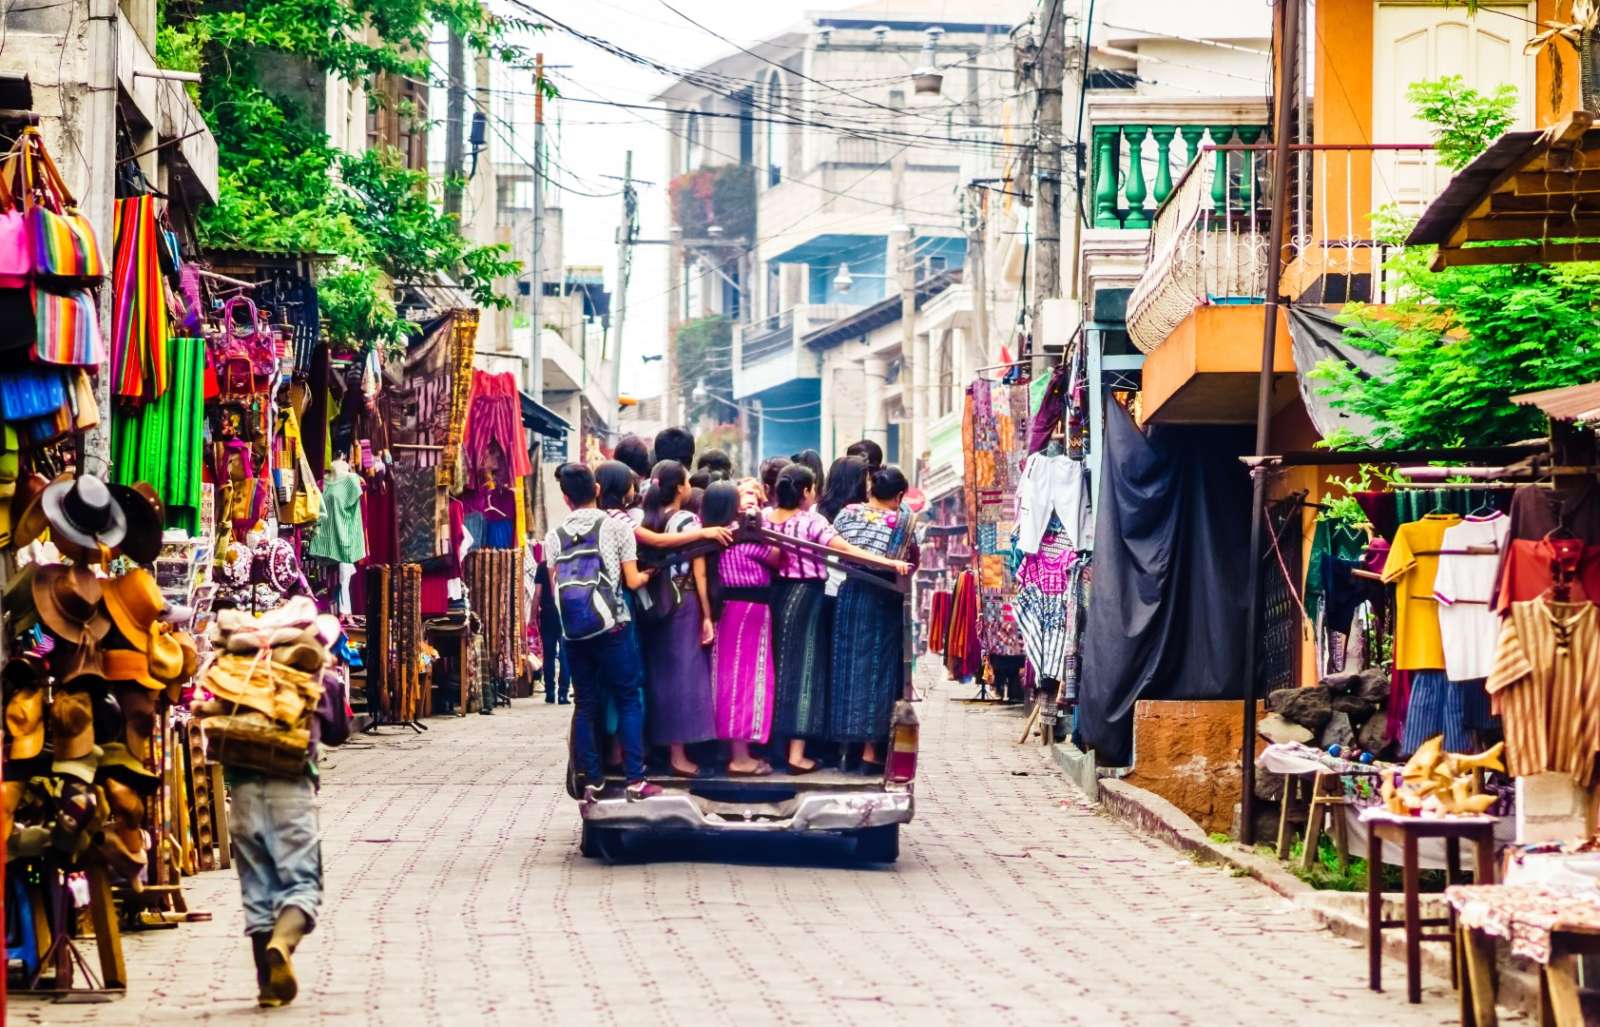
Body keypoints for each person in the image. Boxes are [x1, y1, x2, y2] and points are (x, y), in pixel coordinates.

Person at [765, 464, 906, 773]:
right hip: (824, 597)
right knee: (808, 672)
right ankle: (806, 754)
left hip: (780, 597)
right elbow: (845, 550)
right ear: (804, 491)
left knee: (778, 670)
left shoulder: (767, 518)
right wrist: (890, 564)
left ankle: (773, 749)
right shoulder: (813, 521)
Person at [545, 462, 660, 803]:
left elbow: (556, 587)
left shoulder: (554, 536)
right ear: (596, 490)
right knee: (627, 698)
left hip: (574, 633)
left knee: (585, 704)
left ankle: (591, 782)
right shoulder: (615, 528)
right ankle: (636, 780)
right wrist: (651, 573)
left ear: (566, 498)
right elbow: (633, 580)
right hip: (613, 626)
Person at [829, 466, 917, 769]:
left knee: (846, 669)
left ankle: (844, 750)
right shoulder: (903, 522)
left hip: (849, 596)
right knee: (877, 672)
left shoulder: (846, 513)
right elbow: (910, 561)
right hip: (882, 599)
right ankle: (868, 752)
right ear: (899, 496)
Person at [638, 460, 717, 775]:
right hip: (683, 601)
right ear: (681, 488)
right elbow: (698, 572)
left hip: (658, 601)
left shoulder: (649, 518)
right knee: (684, 678)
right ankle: (678, 755)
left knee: (662, 676)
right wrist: (707, 616)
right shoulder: (688, 520)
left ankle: (664, 749)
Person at [702, 481, 780, 775]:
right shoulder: (744, 536)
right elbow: (777, 557)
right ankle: (741, 757)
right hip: (749, 611)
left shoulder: (712, 534)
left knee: (727, 678)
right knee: (746, 679)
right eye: (745, 497)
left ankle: (732, 749)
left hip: (728, 611)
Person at [533, 549, 569, 704]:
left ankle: (549, 693)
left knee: (548, 654)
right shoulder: (566, 564)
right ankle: (563, 694)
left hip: (547, 614)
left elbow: (537, 593)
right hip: (564, 614)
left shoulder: (542, 566)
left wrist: (532, 615)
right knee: (564, 654)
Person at [817, 455, 869, 524]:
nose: (869, 485)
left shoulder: (816, 511)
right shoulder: (867, 516)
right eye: (867, 480)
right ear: (859, 484)